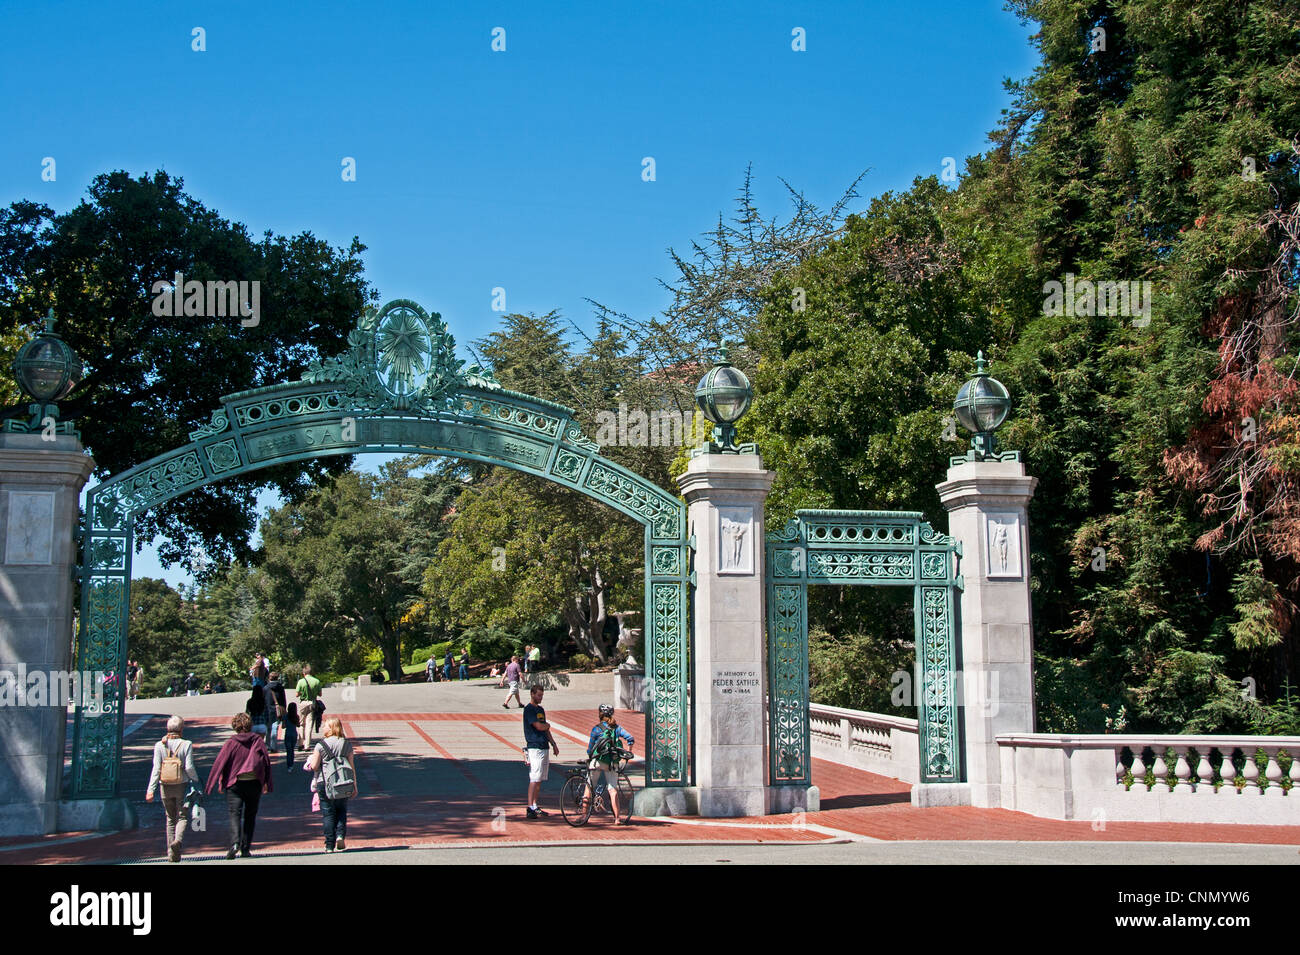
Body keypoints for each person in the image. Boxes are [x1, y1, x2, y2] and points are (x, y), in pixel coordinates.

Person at [205, 711, 273, 858]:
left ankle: (234, 843)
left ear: (235, 726)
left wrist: (215, 783)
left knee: (234, 814)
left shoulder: (231, 742)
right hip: (254, 783)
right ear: (250, 725)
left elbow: (220, 763)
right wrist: (267, 782)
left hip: (234, 784)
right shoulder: (258, 741)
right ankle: (246, 848)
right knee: (250, 815)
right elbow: (266, 762)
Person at [145, 715, 200, 862]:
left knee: (170, 818)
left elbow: (156, 769)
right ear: (181, 729)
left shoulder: (159, 745)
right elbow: (189, 767)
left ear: (167, 729)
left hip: (165, 785)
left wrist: (151, 789)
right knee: (182, 816)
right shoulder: (186, 744)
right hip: (181, 784)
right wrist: (195, 779)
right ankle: (178, 841)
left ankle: (171, 853)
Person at [304, 715, 358, 852]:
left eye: (325, 725)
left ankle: (329, 845)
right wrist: (355, 786)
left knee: (328, 813)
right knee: (341, 810)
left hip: (325, 782)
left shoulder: (320, 745)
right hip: (344, 782)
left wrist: (310, 763)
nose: (323, 727)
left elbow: (316, 766)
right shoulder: (346, 744)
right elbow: (352, 767)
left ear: (332, 728)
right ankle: (340, 836)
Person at [585, 704, 635, 824]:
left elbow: (589, 749)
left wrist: (590, 756)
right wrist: (627, 754)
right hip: (612, 762)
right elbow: (630, 738)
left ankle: (583, 816)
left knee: (589, 787)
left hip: (598, 761)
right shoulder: (617, 728)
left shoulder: (596, 729)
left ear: (600, 714)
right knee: (613, 790)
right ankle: (617, 818)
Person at [522, 685, 559, 819]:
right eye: (538, 695)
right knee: (534, 777)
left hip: (544, 746)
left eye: (542, 695)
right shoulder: (529, 709)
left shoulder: (540, 710)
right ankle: (529, 806)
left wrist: (553, 743)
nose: (540, 698)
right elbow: (538, 726)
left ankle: (535, 805)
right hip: (534, 746)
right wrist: (547, 725)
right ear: (532, 694)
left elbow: (545, 728)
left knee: (540, 778)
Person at [295, 664, 323, 750]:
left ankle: (300, 743)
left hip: (303, 703)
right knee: (309, 723)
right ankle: (307, 745)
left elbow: (297, 694)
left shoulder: (301, 681)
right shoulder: (316, 681)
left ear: (304, 673)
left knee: (301, 723)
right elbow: (320, 694)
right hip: (312, 703)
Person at [265, 671, 287, 752]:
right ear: (277, 678)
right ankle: (273, 746)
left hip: (268, 711)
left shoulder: (266, 688)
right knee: (275, 727)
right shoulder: (280, 688)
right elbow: (283, 700)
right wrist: (284, 710)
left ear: (269, 678)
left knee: (268, 728)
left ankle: (267, 745)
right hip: (277, 711)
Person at [283, 702, 299, 770]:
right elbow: (298, 725)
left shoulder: (286, 716)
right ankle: (291, 764)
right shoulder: (296, 716)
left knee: (288, 750)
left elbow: (283, 726)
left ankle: (289, 765)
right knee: (292, 750)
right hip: (294, 734)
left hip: (288, 734)